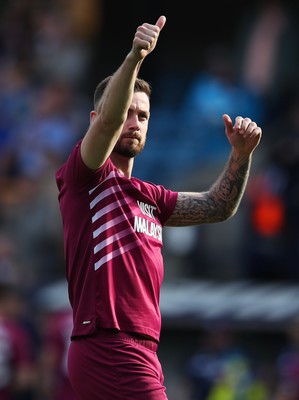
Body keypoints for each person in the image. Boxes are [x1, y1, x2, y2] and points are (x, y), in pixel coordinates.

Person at [55, 15, 262, 400]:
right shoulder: (86, 177)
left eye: (144, 116)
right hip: (109, 345)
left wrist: (240, 155)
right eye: (128, 113)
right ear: (95, 119)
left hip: (142, 350)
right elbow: (108, 124)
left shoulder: (150, 197)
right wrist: (135, 57)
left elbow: (217, 206)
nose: (134, 122)